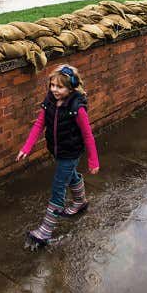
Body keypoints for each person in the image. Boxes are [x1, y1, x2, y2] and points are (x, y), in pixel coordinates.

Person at [16, 64, 100, 246]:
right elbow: (39, 125)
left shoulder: (77, 108)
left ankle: (45, 231)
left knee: (58, 187)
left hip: (71, 152)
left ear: (71, 87)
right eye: (52, 85)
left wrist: (93, 160)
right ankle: (80, 202)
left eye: (59, 87)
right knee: (70, 176)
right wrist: (26, 148)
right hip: (57, 150)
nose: (54, 89)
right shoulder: (49, 101)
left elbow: (87, 135)